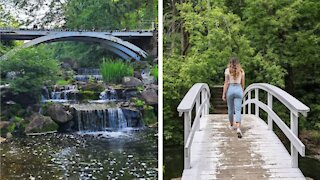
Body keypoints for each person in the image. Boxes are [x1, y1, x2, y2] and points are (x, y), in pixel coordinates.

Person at [222, 57, 245, 138]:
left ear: (230, 63)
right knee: (238, 110)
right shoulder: (241, 71)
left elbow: (226, 83)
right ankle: (238, 128)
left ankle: (231, 125)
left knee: (230, 109)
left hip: (230, 89)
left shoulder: (227, 71)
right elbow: (242, 84)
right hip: (238, 89)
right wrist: (242, 91)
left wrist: (224, 94)